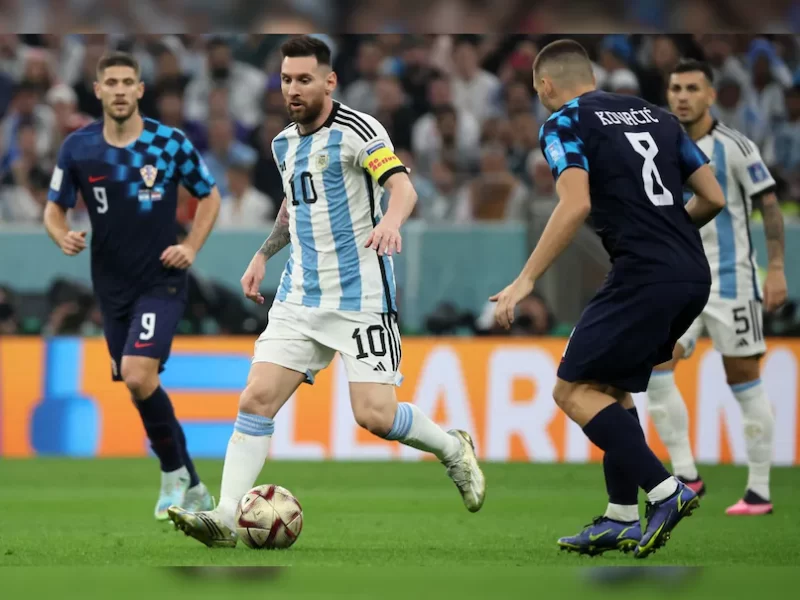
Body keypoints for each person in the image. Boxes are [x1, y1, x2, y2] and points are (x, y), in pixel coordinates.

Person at [168, 35, 486, 548]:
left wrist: (391, 222)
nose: (293, 89)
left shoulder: (359, 131)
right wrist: (264, 254)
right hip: (300, 296)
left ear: (329, 81)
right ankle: (226, 517)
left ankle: (452, 448)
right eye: (286, 80)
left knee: (375, 415)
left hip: (361, 298)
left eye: (304, 79)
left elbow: (402, 187)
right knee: (256, 399)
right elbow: (294, 207)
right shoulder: (282, 144)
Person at [490, 40, 726, 559]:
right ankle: (620, 517)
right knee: (610, 389)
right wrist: (668, 237)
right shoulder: (658, 117)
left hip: (642, 274)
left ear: (545, 85)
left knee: (571, 391)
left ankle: (665, 491)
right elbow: (714, 196)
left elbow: (575, 203)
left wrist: (526, 279)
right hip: (690, 272)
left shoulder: (564, 121)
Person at [44, 51, 220, 521]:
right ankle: (194, 486)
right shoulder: (79, 148)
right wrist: (62, 235)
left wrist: (192, 246)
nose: (120, 90)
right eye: (112, 83)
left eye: (128, 82)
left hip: (161, 280)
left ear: (140, 89)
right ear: (98, 90)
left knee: (138, 375)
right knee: (139, 383)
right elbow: (54, 208)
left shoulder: (169, 143)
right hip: (111, 288)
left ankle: (172, 474)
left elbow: (209, 195)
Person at [646, 59, 786, 516]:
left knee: (743, 379)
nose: (682, 96)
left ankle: (759, 492)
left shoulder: (735, 146)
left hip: (732, 281)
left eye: (692, 88)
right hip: (679, 280)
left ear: (710, 95)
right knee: (656, 366)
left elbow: (770, 205)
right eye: (675, 88)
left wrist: (777, 268)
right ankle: (687, 475)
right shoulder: (656, 143)